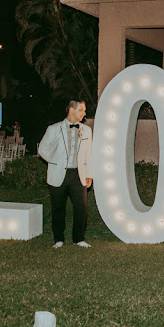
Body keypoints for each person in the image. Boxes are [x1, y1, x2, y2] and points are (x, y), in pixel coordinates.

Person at [38, 100, 93, 249]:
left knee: (81, 207)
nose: (84, 113)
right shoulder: (54, 129)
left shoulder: (87, 130)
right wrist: (56, 161)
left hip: (78, 174)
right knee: (58, 208)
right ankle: (58, 239)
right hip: (58, 173)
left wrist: (89, 174)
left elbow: (88, 154)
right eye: (81, 110)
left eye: (84, 110)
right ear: (71, 110)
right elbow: (42, 150)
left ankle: (79, 238)